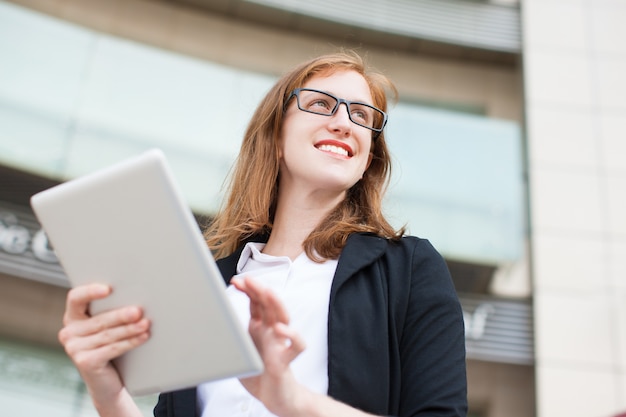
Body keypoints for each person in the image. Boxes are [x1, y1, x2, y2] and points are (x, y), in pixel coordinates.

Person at [58, 50, 468, 417]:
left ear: (367, 160)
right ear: (275, 138)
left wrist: (290, 400)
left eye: (362, 115)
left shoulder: (409, 269)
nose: (344, 123)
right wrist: (108, 395)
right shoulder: (212, 284)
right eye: (322, 104)